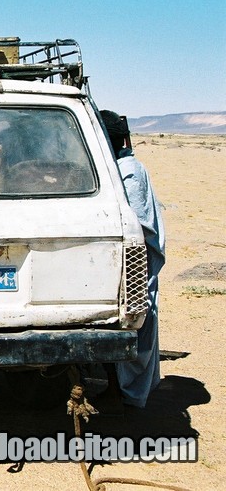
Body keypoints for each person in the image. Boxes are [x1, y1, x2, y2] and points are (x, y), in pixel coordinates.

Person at [101, 109, 166, 408]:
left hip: (138, 254)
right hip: (136, 253)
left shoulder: (129, 170)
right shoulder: (124, 165)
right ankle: (132, 388)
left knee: (139, 317)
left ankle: (130, 395)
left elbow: (135, 222)